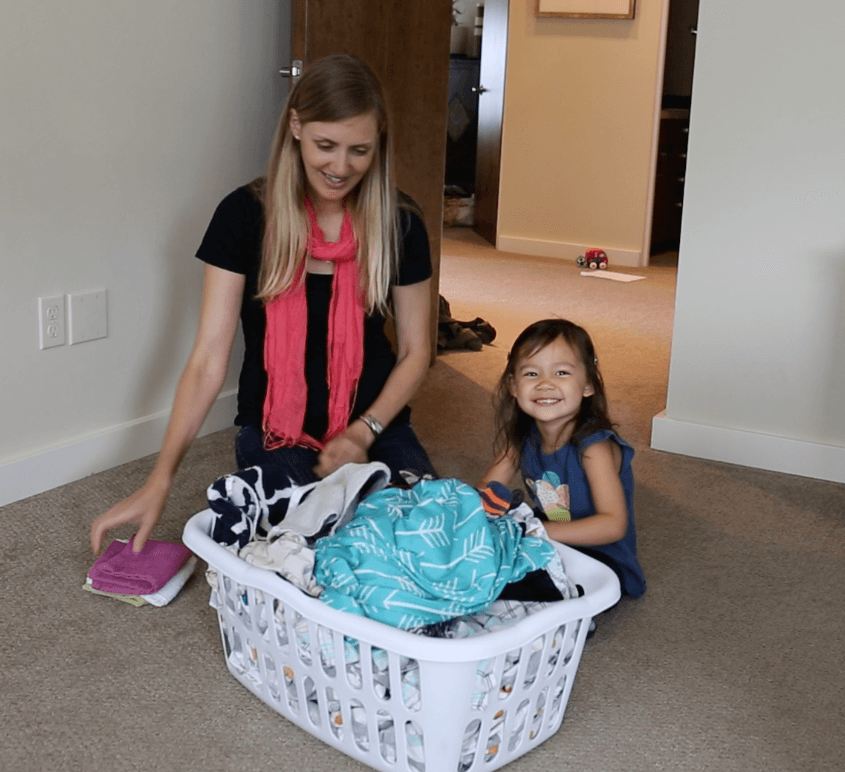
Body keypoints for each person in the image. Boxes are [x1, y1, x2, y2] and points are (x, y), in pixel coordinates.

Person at [91, 54, 437, 555]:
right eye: (326, 146)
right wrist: (159, 480)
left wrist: (363, 433)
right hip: (278, 435)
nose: (341, 168)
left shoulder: (400, 221)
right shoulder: (242, 217)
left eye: (359, 151)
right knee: (304, 549)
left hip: (376, 424)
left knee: (423, 539)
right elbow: (209, 361)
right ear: (295, 125)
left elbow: (415, 351)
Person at [477, 319, 645, 598]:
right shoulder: (521, 436)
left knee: (517, 583)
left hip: (602, 559)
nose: (545, 384)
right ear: (513, 386)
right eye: (531, 374)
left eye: (562, 373)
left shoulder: (595, 448)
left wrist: (538, 531)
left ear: (588, 385)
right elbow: (487, 488)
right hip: (553, 536)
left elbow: (613, 525)